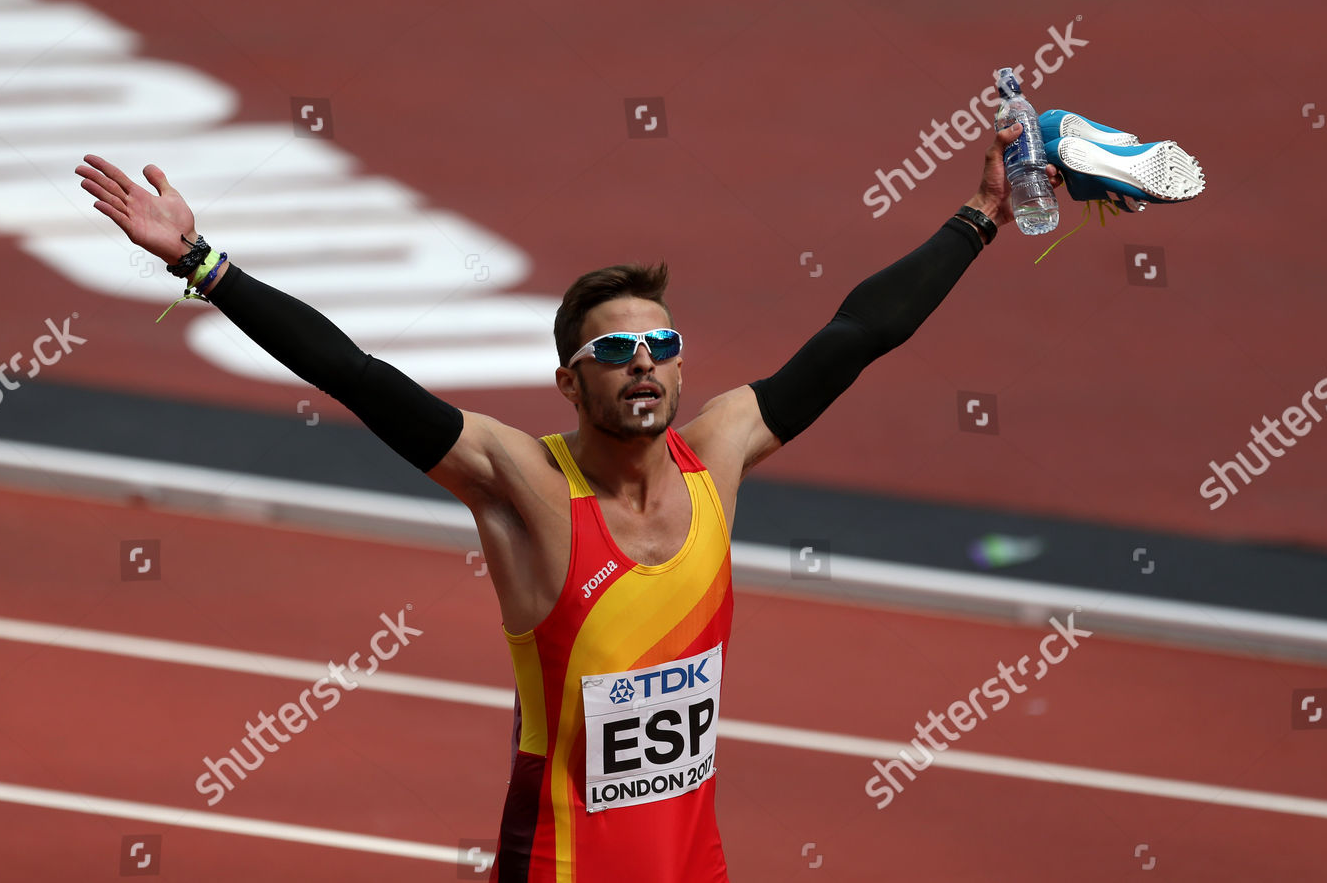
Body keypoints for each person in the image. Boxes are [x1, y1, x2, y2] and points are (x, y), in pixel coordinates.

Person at [77, 123, 1063, 882]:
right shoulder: (524, 486)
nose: (643, 363)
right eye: (614, 351)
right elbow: (358, 373)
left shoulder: (719, 450)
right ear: (568, 382)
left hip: (693, 862)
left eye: (662, 347)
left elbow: (855, 334)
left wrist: (979, 213)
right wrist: (202, 262)